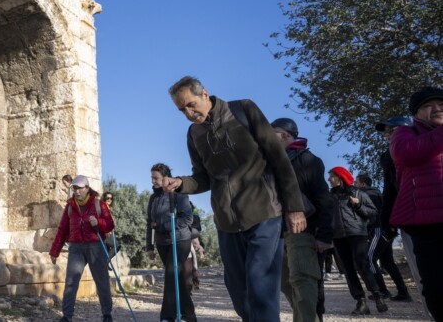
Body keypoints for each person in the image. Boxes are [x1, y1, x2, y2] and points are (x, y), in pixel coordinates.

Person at [162, 76, 307, 321]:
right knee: (239, 293)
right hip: (226, 223)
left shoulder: (242, 110)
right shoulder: (194, 133)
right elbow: (203, 178)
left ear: (204, 94)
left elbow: (279, 158)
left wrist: (294, 207)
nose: (188, 113)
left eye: (190, 105)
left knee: (261, 285)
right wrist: (181, 183)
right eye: (181, 110)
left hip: (264, 214)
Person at [272, 117, 335, 322]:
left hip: (302, 230)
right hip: (275, 232)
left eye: (272, 133)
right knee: (284, 281)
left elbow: (323, 198)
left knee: (303, 278)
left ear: (284, 135)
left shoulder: (307, 160)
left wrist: (324, 234)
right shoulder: (271, 161)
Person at [390, 86, 443, 321]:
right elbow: (408, 153)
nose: (437, 109)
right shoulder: (405, 133)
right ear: (416, 113)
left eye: (441, 105)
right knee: (436, 285)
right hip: (426, 223)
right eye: (428, 106)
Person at [49, 175, 114, 322]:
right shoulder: (70, 206)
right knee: (71, 282)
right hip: (76, 248)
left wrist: (98, 222)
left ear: (87, 188)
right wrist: (55, 251)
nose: (77, 191)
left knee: (102, 281)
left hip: (95, 247)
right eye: (74, 188)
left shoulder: (98, 203)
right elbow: (62, 229)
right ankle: (67, 316)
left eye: (80, 188)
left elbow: (110, 224)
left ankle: (107, 315)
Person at [328, 166, 387, 315]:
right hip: (338, 237)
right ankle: (361, 301)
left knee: (362, 265)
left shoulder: (358, 193)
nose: (329, 179)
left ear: (340, 178)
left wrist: (358, 205)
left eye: (332, 176)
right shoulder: (329, 196)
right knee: (348, 270)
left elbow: (373, 212)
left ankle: (377, 295)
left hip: (357, 234)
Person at [146, 163, 197, 322]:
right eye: (152, 178)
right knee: (177, 279)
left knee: (170, 276)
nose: (153, 181)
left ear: (166, 178)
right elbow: (149, 223)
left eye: (156, 178)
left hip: (180, 241)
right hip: (162, 243)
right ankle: (189, 316)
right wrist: (149, 246)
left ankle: (167, 317)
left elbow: (187, 219)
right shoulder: (153, 198)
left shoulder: (179, 195)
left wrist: (163, 225)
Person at [375, 115, 417, 303]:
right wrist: (387, 223)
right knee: (422, 270)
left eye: (392, 130)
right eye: (386, 133)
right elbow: (390, 191)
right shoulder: (387, 157)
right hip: (408, 216)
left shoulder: (427, 146)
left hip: (432, 211)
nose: (388, 135)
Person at [355, 173, 410, 301]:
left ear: (363, 183)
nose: (355, 185)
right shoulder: (376, 193)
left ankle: (382, 291)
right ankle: (403, 292)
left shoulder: (369, 195)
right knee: (387, 261)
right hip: (386, 230)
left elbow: (371, 214)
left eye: (356, 183)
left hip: (378, 230)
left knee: (370, 259)